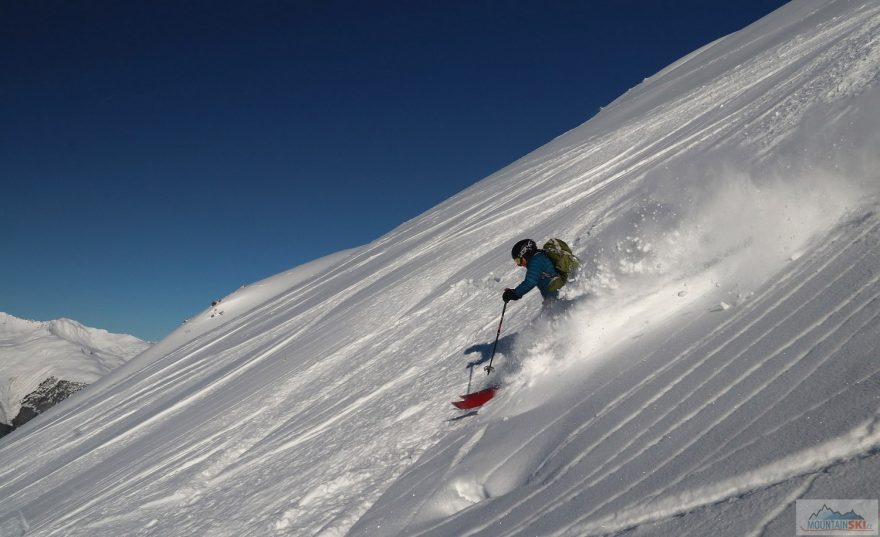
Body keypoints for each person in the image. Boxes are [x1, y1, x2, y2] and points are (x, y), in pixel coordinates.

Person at [503, 239, 563, 305]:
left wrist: (514, 294)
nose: (519, 264)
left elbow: (530, 282)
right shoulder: (539, 256)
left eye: (518, 261)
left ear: (525, 253)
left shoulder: (536, 261)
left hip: (559, 294)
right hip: (558, 294)